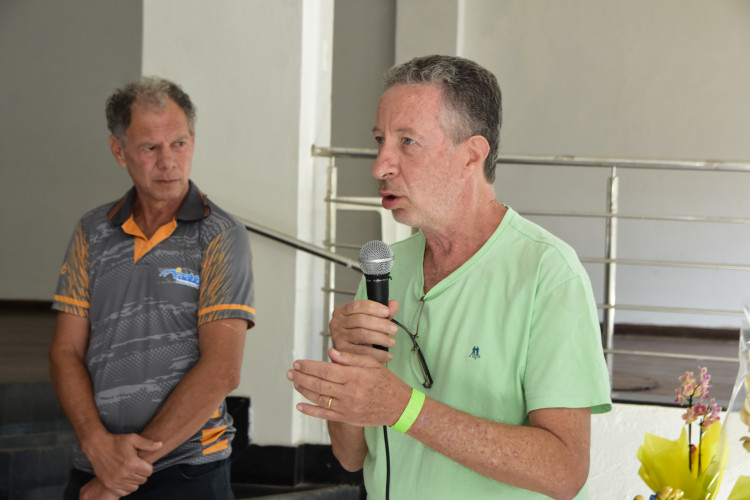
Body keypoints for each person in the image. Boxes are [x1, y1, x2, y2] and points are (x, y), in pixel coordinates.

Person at [287, 55, 611, 499]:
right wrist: (348, 361)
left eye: (407, 142)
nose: (380, 166)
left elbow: (564, 471)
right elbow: (351, 456)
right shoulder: (384, 269)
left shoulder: (547, 272)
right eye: (380, 140)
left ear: (471, 155)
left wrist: (405, 409)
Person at [49, 77, 255, 500]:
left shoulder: (221, 235)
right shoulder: (92, 230)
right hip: (95, 464)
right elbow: (65, 351)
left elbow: (222, 370)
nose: (168, 162)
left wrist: (124, 472)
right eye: (150, 148)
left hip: (189, 472)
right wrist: (97, 447)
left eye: (179, 144)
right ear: (118, 151)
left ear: (193, 141)